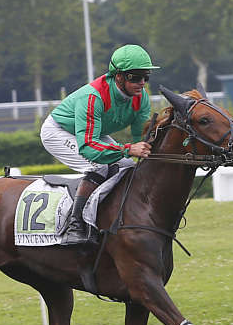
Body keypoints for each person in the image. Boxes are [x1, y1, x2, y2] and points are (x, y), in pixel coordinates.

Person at [40, 44, 159, 245]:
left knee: (127, 166)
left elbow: (141, 139)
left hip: (93, 134)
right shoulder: (93, 97)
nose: (141, 83)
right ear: (118, 77)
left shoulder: (141, 99)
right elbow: (88, 147)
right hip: (59, 132)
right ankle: (75, 225)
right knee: (99, 166)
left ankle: (113, 217)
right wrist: (127, 149)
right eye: (135, 77)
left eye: (146, 77)